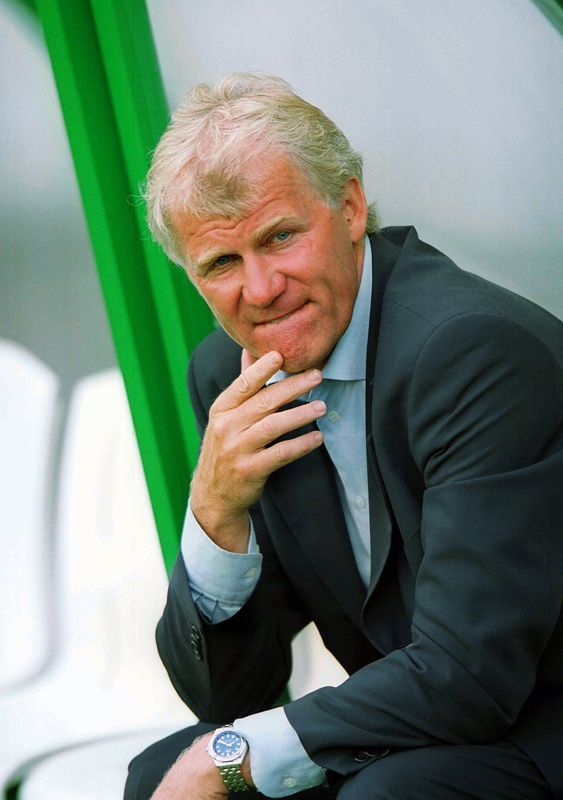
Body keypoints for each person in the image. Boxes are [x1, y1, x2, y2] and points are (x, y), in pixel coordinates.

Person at [125, 73, 563, 800]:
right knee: (157, 774)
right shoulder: (233, 375)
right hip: (422, 731)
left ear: (351, 207)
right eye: (222, 263)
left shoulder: (473, 352)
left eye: (280, 237)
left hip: (535, 726)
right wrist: (216, 513)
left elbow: (469, 673)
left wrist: (229, 758)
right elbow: (229, 696)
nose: (261, 289)